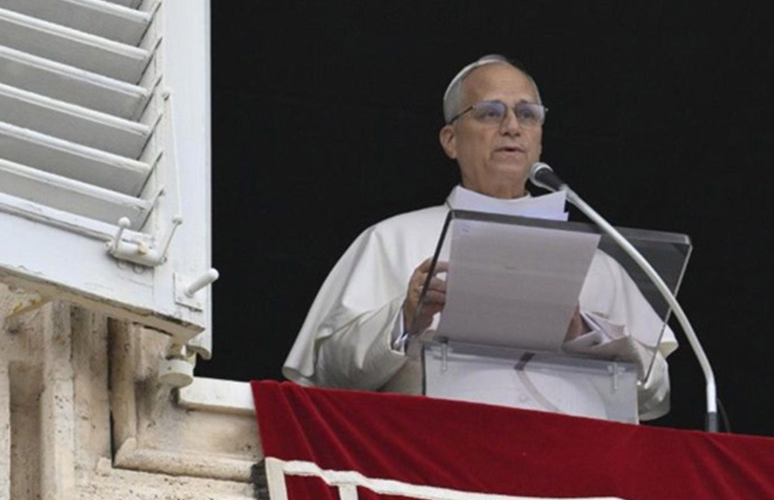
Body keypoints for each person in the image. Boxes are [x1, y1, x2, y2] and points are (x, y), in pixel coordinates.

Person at [283, 55, 675, 419]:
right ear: (450, 140)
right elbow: (327, 375)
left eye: (527, 114)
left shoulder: (599, 264)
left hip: (572, 462)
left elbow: (654, 394)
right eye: (490, 112)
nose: (512, 127)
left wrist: (584, 332)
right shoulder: (392, 240)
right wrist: (404, 318)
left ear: (540, 136)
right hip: (435, 454)